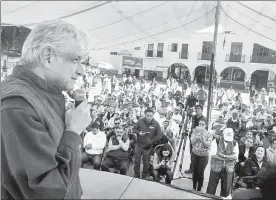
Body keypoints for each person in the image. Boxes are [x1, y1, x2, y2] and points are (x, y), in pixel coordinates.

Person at [1, 20, 92, 199]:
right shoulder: (18, 106)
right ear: (47, 56)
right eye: (75, 59)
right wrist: (73, 132)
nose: (81, 70)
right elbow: (46, 191)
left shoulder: (40, 93)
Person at [206, 128, 239, 197]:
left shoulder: (235, 143)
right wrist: (229, 157)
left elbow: (235, 157)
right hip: (215, 168)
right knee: (210, 190)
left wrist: (223, 155)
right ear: (223, 135)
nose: (228, 140)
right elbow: (213, 155)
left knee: (226, 192)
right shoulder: (216, 141)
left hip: (228, 169)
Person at [132, 108, 162, 179]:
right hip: (138, 145)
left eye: (151, 116)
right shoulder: (140, 121)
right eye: (148, 115)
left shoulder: (156, 124)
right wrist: (139, 133)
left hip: (148, 147)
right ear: (145, 115)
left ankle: (144, 175)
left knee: (146, 163)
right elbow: (134, 129)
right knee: (136, 161)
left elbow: (159, 135)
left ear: (153, 116)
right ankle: (136, 174)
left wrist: (151, 141)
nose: (149, 117)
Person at [190, 118, 213, 191]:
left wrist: (202, 138)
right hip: (195, 153)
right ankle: (194, 187)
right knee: (194, 171)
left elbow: (208, 146)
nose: (201, 126)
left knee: (200, 172)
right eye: (200, 124)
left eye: (202, 124)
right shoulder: (194, 131)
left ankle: (199, 188)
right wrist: (196, 136)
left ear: (205, 125)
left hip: (203, 155)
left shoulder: (209, 134)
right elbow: (192, 142)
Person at [185, 105, 206, 174]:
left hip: (199, 139)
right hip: (192, 138)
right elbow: (187, 114)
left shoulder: (203, 119)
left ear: (202, 110)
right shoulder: (194, 117)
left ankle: (196, 170)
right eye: (196, 108)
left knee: (197, 155)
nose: (197, 110)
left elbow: (204, 130)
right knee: (192, 154)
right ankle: (192, 168)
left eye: (199, 108)